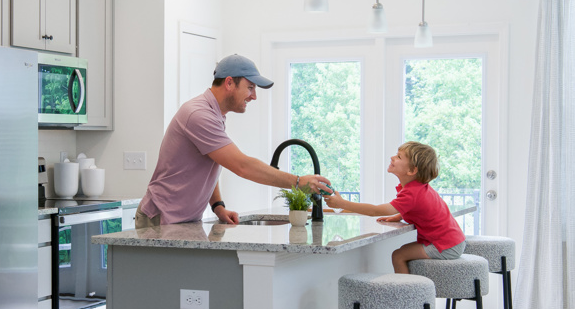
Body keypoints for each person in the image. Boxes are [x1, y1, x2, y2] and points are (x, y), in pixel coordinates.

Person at [136, 54, 332, 228]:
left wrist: (218, 206)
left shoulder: (215, 114)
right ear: (229, 83)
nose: (254, 96)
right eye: (250, 87)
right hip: (160, 219)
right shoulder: (199, 114)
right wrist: (298, 182)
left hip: (182, 220)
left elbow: (210, 162)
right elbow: (242, 166)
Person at [325, 141, 465, 277]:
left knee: (398, 255)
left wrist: (342, 203)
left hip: (445, 246)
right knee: (402, 251)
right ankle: (412, 289)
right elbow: (418, 210)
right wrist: (398, 216)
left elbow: (375, 211)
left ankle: (406, 296)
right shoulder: (417, 188)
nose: (392, 157)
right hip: (453, 241)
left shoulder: (412, 193)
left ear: (412, 170)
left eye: (399, 157)